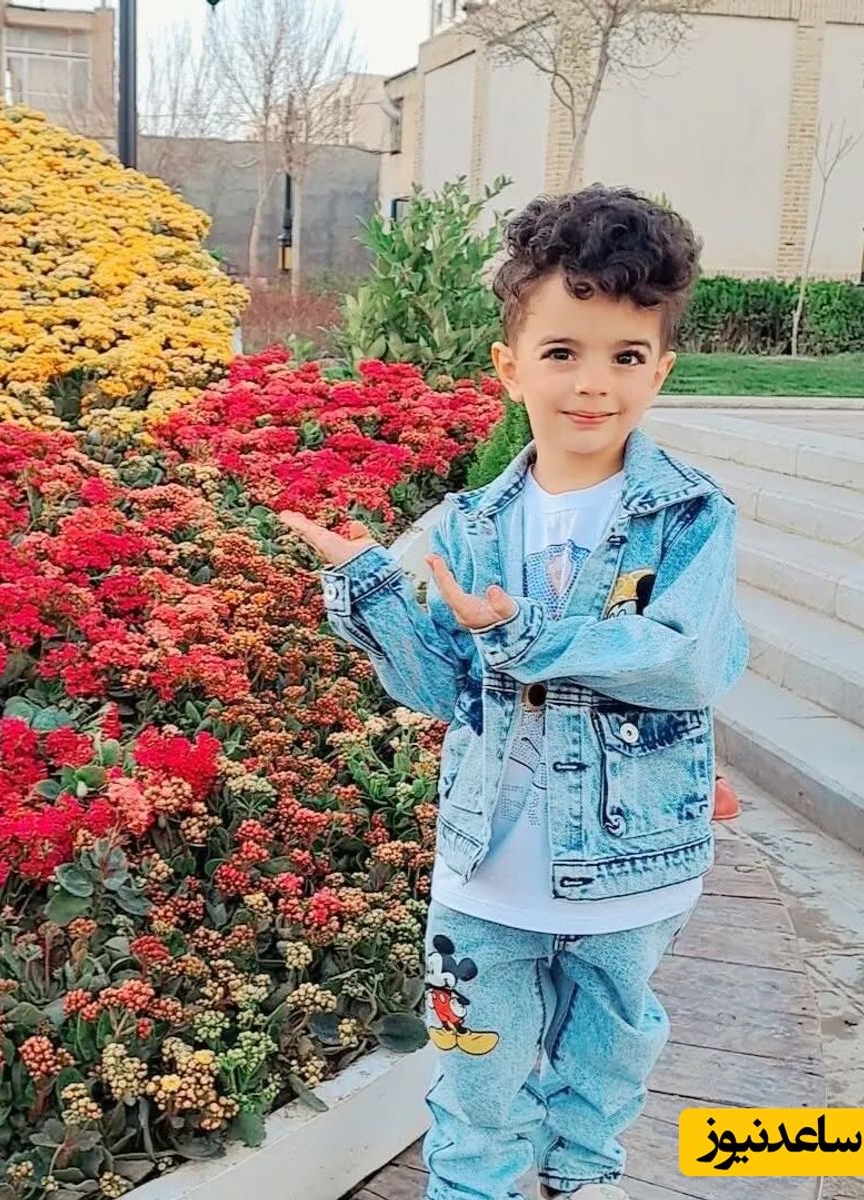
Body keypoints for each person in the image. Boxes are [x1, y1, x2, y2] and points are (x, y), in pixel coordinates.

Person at [280, 184, 748, 1200]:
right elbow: (444, 687)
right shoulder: (470, 526)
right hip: (486, 867)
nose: (594, 384)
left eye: (627, 356)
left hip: (633, 868)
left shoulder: (691, 517)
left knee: (604, 1065)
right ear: (510, 366)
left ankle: (583, 1180)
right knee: (474, 1080)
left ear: (661, 368)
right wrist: (371, 585)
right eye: (563, 352)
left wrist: (525, 632)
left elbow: (687, 661)